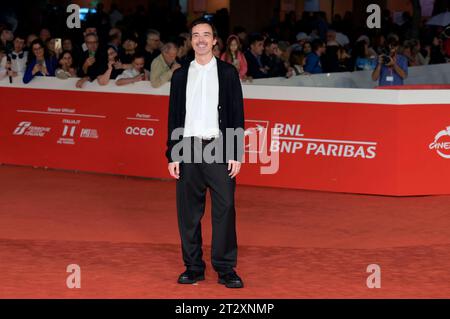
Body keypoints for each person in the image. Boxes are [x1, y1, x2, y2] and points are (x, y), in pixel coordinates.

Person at [166, 18, 245, 289]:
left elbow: (237, 113)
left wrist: (236, 152)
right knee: (188, 213)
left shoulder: (227, 73)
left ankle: (225, 269)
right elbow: (174, 116)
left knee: (225, 209)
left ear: (214, 41)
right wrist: (173, 154)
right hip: (187, 147)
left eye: (206, 35)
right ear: (191, 40)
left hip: (220, 146)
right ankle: (193, 267)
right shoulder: (179, 75)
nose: (201, 39)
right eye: (196, 34)